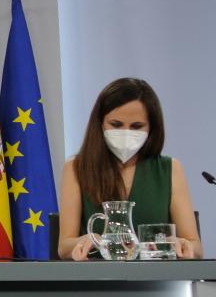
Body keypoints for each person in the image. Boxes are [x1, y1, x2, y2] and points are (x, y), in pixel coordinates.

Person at [58, 77, 202, 260]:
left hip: (159, 282)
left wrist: (184, 244)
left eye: (136, 126)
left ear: (152, 128)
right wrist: (92, 239)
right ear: (100, 123)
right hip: (96, 281)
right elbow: (64, 247)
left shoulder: (170, 168)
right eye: (116, 125)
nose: (126, 133)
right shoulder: (76, 168)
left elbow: (195, 246)